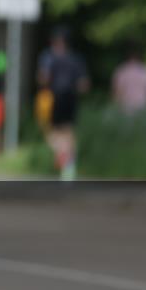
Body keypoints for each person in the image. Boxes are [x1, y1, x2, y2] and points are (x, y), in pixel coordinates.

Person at [37, 26, 89, 180]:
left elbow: (44, 78)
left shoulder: (48, 57)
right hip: (71, 98)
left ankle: (62, 155)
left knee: (50, 131)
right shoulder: (76, 59)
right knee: (69, 132)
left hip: (53, 98)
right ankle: (69, 166)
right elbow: (84, 85)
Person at [111, 44, 146, 126]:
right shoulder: (145, 71)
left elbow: (116, 91)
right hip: (143, 105)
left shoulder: (121, 70)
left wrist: (116, 106)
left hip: (125, 107)